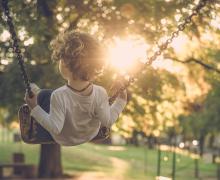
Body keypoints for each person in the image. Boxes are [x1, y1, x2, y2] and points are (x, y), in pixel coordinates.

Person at [25, 31, 127, 146]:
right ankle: (38, 93)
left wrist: (33, 107)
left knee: (44, 95)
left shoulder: (58, 95)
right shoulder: (100, 93)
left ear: (64, 64)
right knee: (49, 95)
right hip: (89, 134)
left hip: (63, 138)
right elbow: (107, 121)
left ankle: (38, 94)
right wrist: (121, 101)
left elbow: (55, 128)